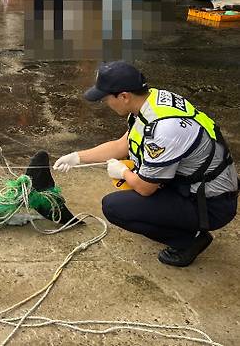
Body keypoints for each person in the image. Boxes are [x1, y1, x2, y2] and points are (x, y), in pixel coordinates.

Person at [53, 61, 238, 267]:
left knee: (114, 207)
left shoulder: (165, 131)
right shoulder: (151, 101)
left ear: (124, 96)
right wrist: (77, 157)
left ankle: (190, 239)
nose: (105, 103)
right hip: (193, 184)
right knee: (135, 186)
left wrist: (123, 172)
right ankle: (175, 221)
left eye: (106, 98)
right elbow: (122, 144)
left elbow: (145, 188)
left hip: (212, 203)